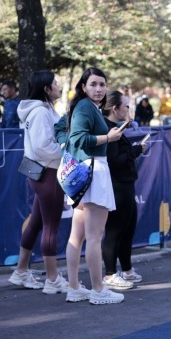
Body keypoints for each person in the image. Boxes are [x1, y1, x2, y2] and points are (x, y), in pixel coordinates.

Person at [63, 67, 128, 305]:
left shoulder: (85, 107)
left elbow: (65, 133)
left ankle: (74, 287)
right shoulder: (85, 107)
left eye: (102, 84)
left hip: (85, 172)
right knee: (93, 236)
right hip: (92, 172)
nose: (99, 89)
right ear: (83, 87)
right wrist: (108, 138)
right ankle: (98, 290)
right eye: (93, 84)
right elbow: (77, 138)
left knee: (78, 236)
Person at [7, 70, 68, 294]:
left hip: (39, 171)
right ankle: (52, 279)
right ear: (46, 88)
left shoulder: (40, 109)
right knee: (51, 227)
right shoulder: (41, 112)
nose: (58, 86)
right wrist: (66, 153)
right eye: (55, 83)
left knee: (37, 223)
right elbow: (43, 147)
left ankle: (21, 270)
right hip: (48, 172)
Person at [101, 91, 149, 290]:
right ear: (115, 109)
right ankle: (110, 274)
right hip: (116, 186)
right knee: (115, 231)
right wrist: (135, 150)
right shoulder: (109, 131)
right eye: (126, 105)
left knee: (128, 230)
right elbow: (114, 162)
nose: (129, 109)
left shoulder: (116, 129)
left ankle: (127, 270)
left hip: (125, 184)